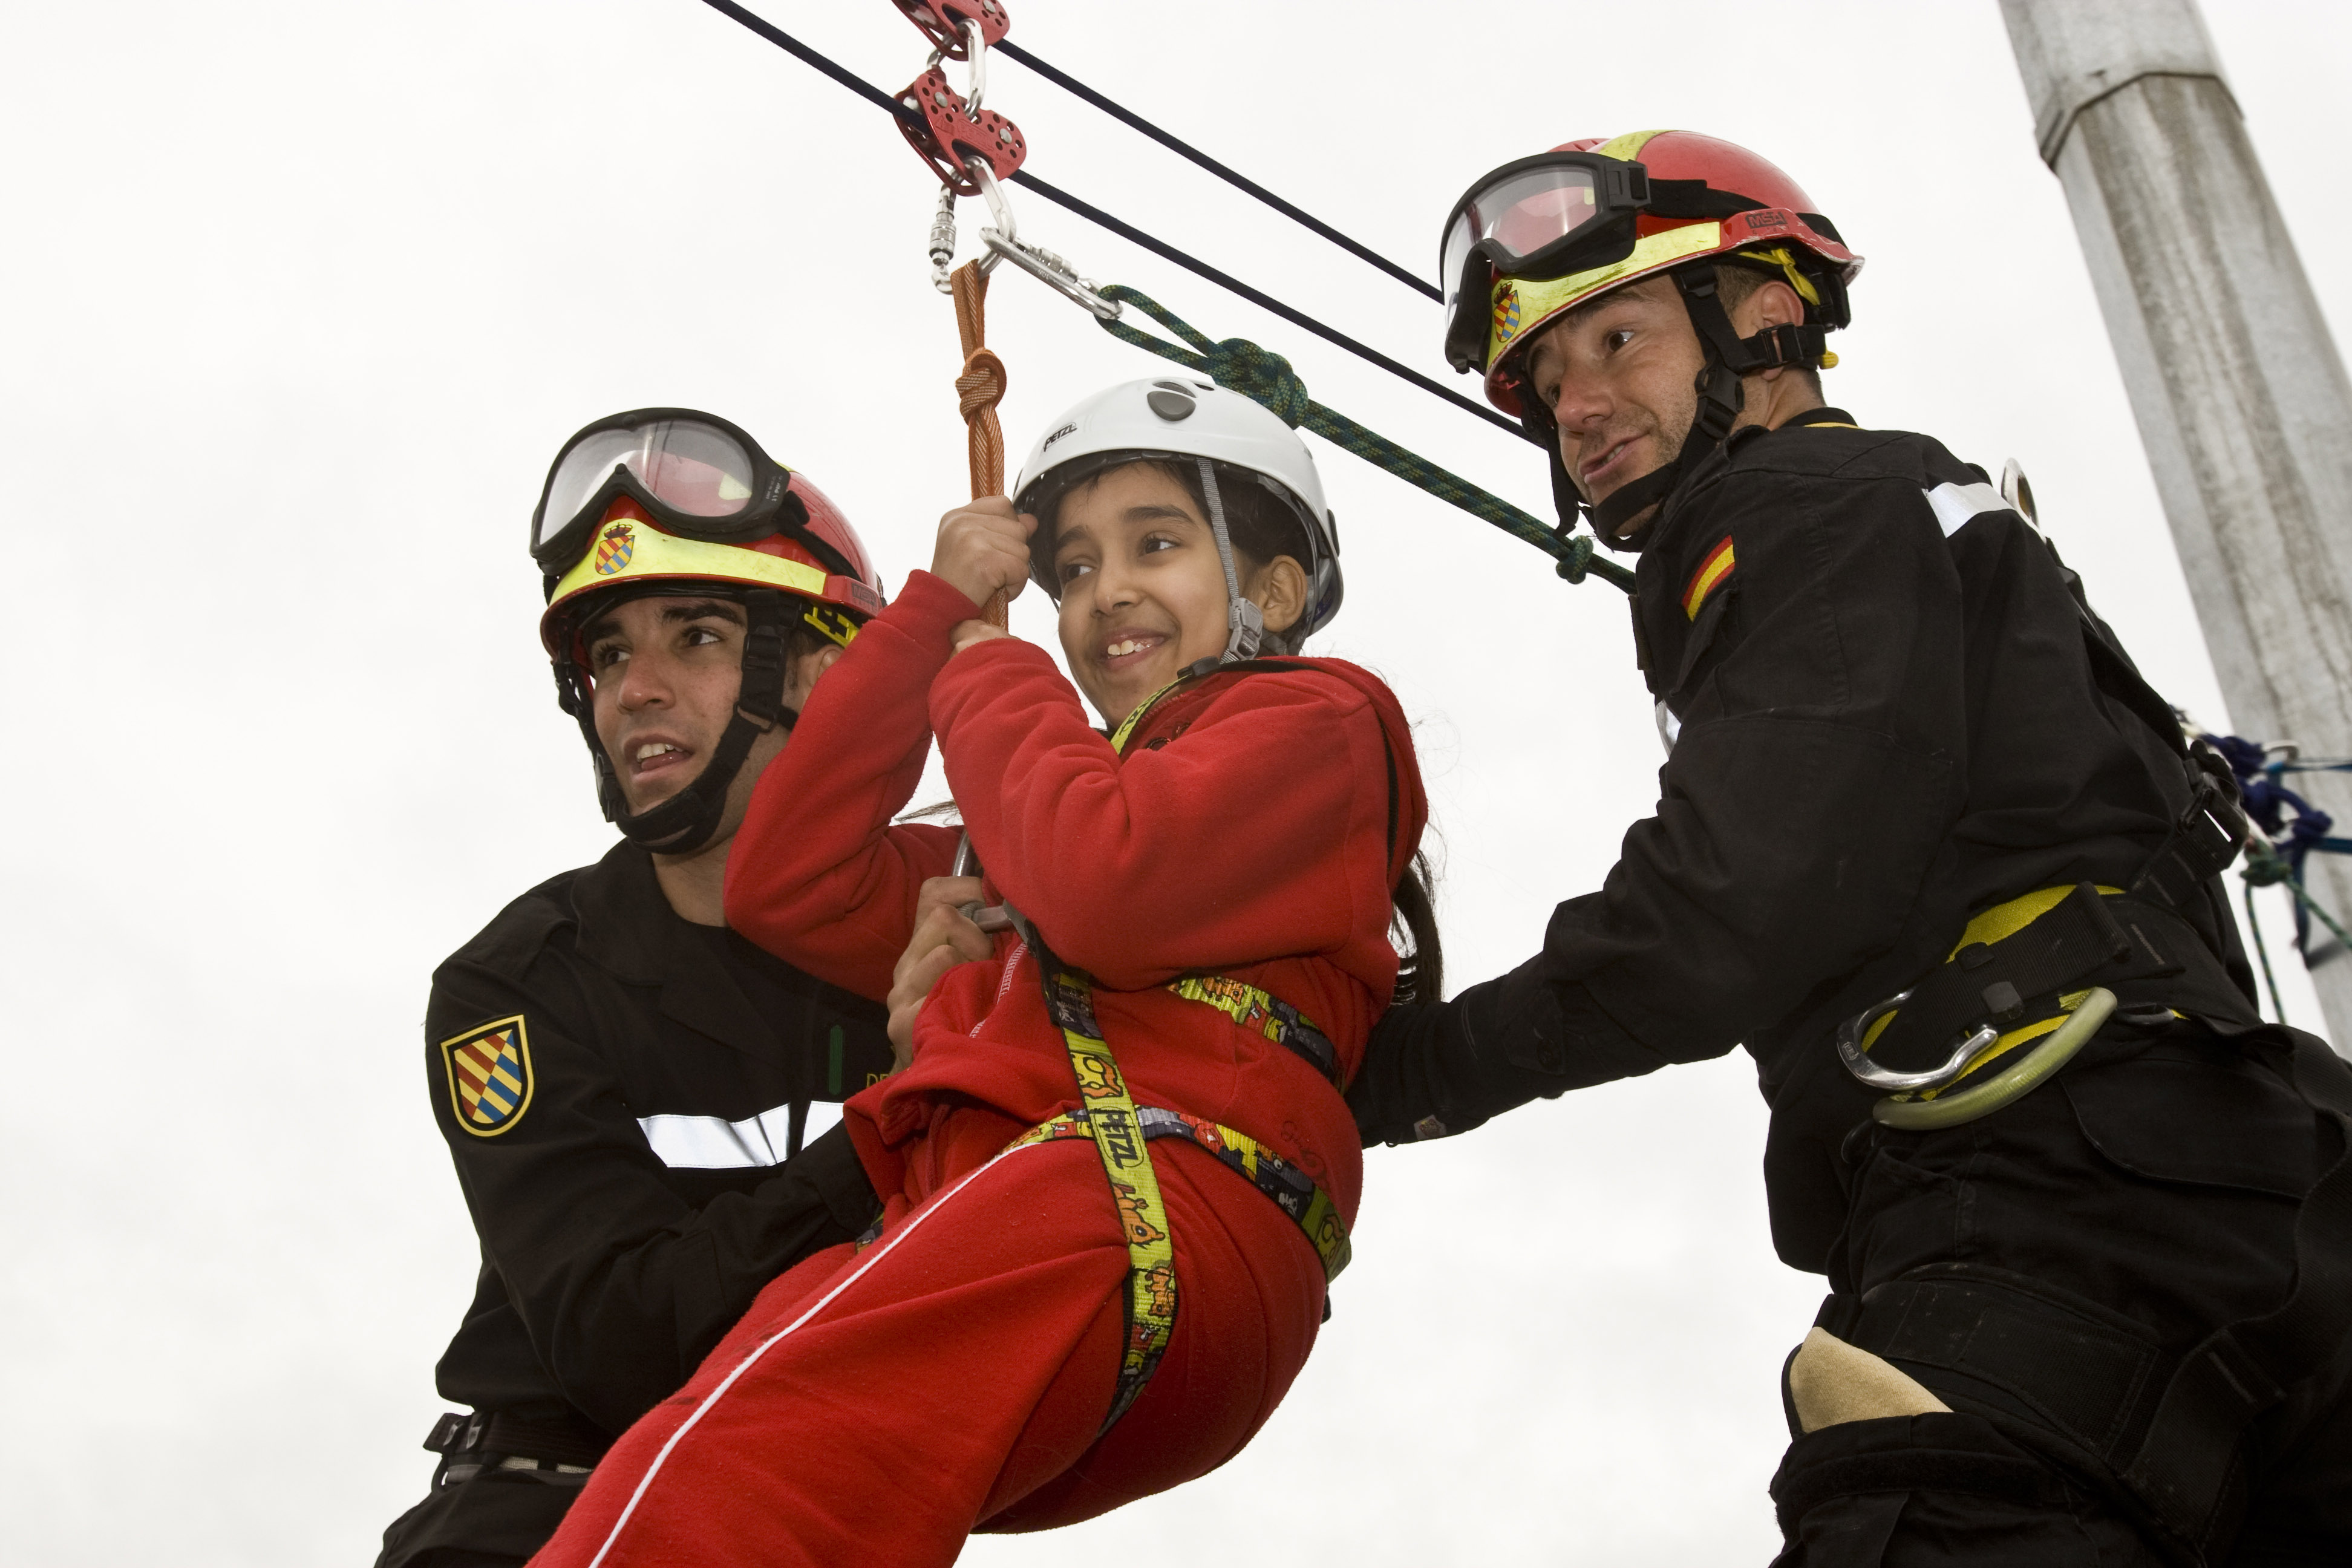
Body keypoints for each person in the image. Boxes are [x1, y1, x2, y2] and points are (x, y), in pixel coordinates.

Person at [1352, 129, 2352, 1564]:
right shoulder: (1927, 517)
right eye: (1549, 385)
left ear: (1764, 313)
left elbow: (1736, 905)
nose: (1578, 409)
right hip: (2259, 1169)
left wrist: (1402, 1076)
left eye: (1618, 341)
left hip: (2053, 1187)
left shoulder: (1795, 506)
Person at [525, 377, 1438, 1566]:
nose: (1105, 590)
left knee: (732, 1478)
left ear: (1273, 592)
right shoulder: (1031, 813)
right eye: (1072, 569)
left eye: (1155, 545)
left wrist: (987, 669)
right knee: (694, 1439)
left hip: (1148, 1197)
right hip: (1037, 1230)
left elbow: (1100, 883)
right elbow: (785, 879)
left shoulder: (1320, 719)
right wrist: (933, 615)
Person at [375, 410, 900, 1568]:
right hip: (543, 1517)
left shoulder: (946, 940)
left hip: (808, 1528)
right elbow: (625, 1347)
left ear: (822, 672)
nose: (634, 691)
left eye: (696, 636)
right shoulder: (518, 984)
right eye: (609, 655)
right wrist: (911, 1108)